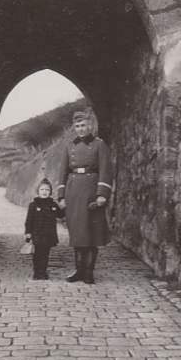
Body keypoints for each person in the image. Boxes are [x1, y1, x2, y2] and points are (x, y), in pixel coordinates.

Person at [57, 110, 113, 284]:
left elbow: (106, 170)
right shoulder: (69, 146)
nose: (80, 129)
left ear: (90, 126)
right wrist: (61, 196)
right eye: (77, 126)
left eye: (83, 126)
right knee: (77, 234)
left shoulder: (99, 145)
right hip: (73, 192)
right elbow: (63, 172)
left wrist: (102, 194)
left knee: (91, 233)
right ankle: (79, 270)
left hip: (91, 190)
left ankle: (89, 272)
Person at [25, 178, 64, 280]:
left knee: (45, 254)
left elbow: (60, 215)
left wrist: (63, 206)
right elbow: (29, 220)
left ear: (50, 192)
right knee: (37, 253)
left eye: (47, 190)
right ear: (38, 191)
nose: (44, 192)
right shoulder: (33, 205)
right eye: (42, 190)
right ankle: (37, 272)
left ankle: (43, 272)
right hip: (37, 233)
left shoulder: (53, 204)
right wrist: (28, 232)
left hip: (49, 234)